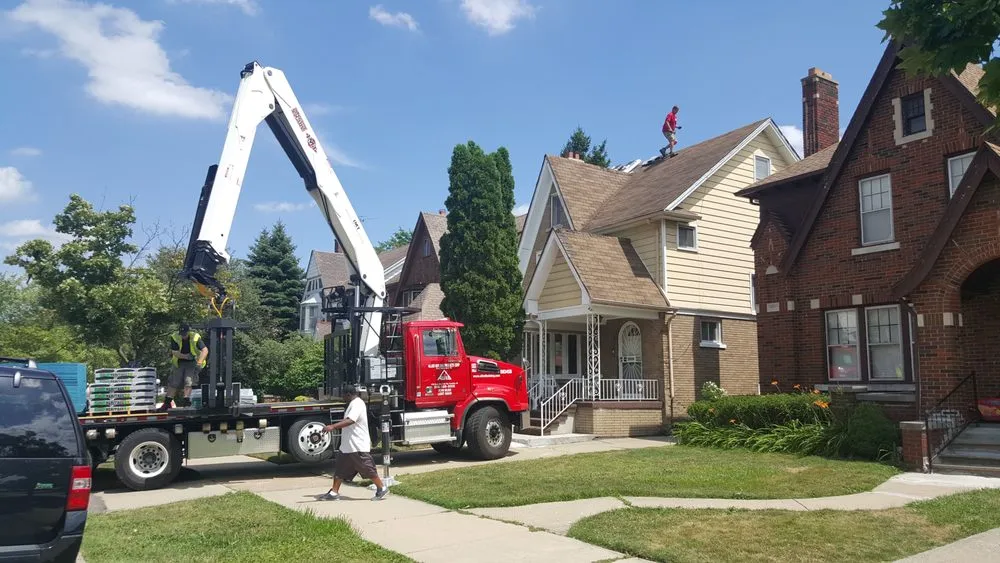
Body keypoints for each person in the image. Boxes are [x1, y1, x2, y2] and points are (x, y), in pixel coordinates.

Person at [321, 385, 389, 501]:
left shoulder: (357, 403)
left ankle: (381, 488)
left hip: (357, 445)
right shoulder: (352, 404)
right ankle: (334, 492)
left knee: (367, 468)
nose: (342, 397)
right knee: (340, 469)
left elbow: (351, 420)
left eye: (343, 395)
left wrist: (333, 426)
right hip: (347, 446)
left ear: (348, 394)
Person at [163, 323, 207, 409]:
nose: (183, 336)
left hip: (192, 362)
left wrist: (199, 362)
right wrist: (186, 356)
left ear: (188, 332)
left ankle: (186, 401)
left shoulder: (195, 337)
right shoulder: (175, 337)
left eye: (185, 334)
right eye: (182, 334)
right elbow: (174, 352)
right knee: (174, 382)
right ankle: (167, 403)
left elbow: (205, 350)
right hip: (179, 362)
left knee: (188, 381)